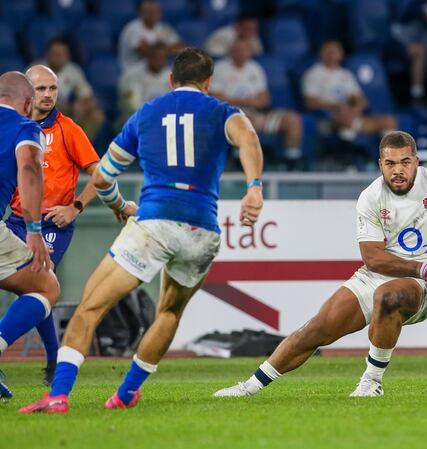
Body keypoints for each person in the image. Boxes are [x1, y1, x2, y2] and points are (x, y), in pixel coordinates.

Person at [19, 48, 265, 414]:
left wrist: (119, 205)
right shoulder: (223, 111)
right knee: (168, 312)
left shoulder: (148, 114)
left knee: (89, 307)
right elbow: (248, 138)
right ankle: (126, 393)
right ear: (209, 83)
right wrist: (254, 187)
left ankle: (58, 396)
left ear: (171, 80)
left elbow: (102, 176)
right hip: (203, 230)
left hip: (154, 223)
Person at [213, 131, 427, 399]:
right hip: (384, 274)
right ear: (380, 163)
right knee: (316, 329)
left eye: (404, 162)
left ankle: (371, 381)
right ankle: (249, 387)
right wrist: (424, 268)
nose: (397, 170)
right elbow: (373, 257)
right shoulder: (371, 197)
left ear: (416, 161)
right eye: (390, 163)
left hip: (426, 285)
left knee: (388, 296)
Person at [4, 65, 99, 386]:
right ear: (27, 95)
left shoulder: (68, 129)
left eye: (53, 89)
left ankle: (53, 356)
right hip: (15, 220)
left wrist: (75, 207)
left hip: (50, 224)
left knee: (39, 283)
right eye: (41, 89)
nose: (47, 95)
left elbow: (100, 175)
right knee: (39, 288)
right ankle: (54, 356)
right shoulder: (20, 127)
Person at [0, 71, 59, 399]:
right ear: (26, 102)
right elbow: (28, 167)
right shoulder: (25, 127)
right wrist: (34, 230)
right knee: (46, 284)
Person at [210, 36, 303, 163]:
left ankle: (292, 162)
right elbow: (215, 98)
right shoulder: (220, 68)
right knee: (245, 121)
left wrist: (251, 103)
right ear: (231, 50)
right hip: (229, 116)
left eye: (244, 49)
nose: (241, 52)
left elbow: (265, 100)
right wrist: (246, 102)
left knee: (292, 120)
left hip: (256, 114)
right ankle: (239, 161)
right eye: (237, 49)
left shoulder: (255, 68)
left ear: (250, 52)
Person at [302, 40, 397, 141]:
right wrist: (336, 106)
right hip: (326, 119)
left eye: (335, 51)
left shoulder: (345, 74)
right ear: (321, 54)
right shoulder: (313, 74)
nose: (331, 55)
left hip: (350, 116)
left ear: (341, 54)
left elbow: (360, 99)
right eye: (328, 51)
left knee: (389, 121)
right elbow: (310, 103)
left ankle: (390, 154)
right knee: (345, 120)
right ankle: (347, 147)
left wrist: (356, 110)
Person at [37, 38, 106, 141]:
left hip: (66, 112)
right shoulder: (36, 70)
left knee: (96, 115)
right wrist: (68, 107)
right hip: (41, 114)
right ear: (47, 54)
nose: (59, 57)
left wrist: (81, 104)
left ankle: (78, 149)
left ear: (68, 55)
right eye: (55, 53)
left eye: (62, 54)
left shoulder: (73, 70)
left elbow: (88, 96)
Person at [118, 0, 182, 70]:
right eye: (148, 11)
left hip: (158, 75)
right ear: (140, 13)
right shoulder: (133, 28)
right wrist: (166, 48)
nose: (152, 14)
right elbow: (147, 52)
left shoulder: (164, 28)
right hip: (134, 74)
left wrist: (159, 48)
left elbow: (181, 48)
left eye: (155, 11)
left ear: (160, 13)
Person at [118, 42, 171, 123]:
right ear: (148, 56)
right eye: (155, 56)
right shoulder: (132, 75)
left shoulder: (172, 76)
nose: (158, 60)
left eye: (161, 57)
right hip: (137, 120)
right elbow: (132, 105)